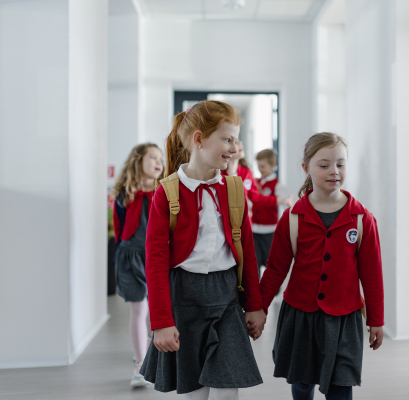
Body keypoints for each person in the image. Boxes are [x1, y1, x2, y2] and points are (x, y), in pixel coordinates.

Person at [140, 101, 265, 400]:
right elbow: (155, 263)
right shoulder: (166, 193)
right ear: (198, 140)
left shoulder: (235, 189)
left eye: (236, 139)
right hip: (184, 297)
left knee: (228, 389)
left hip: (226, 299)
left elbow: (246, 251)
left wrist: (255, 305)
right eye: (228, 139)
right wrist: (162, 322)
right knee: (195, 392)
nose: (235, 147)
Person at [259, 132, 385, 400]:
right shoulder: (292, 218)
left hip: (345, 318)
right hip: (301, 315)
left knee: (341, 386)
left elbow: (372, 275)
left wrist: (376, 320)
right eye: (324, 164)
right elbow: (275, 269)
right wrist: (259, 308)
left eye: (341, 164)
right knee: (303, 383)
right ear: (306, 168)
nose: (334, 171)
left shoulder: (362, 219)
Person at [112, 142, 164, 386]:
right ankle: (140, 363)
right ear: (138, 161)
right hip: (131, 256)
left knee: (157, 310)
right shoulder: (124, 195)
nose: (158, 162)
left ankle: (153, 354)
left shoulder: (164, 193)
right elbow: (120, 228)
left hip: (157, 257)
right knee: (138, 310)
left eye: (160, 159)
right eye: (152, 157)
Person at [222, 140, 293, 219]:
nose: (240, 143)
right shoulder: (218, 174)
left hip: (243, 224)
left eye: (238, 140)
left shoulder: (247, 173)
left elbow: (256, 197)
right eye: (235, 141)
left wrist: (283, 200)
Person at [251, 149, 288, 276]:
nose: (260, 169)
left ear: (272, 166)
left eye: (263, 166)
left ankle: (271, 289)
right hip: (254, 230)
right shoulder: (255, 182)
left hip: (269, 232)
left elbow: (283, 207)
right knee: (254, 262)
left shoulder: (277, 185)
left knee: (269, 263)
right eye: (258, 166)